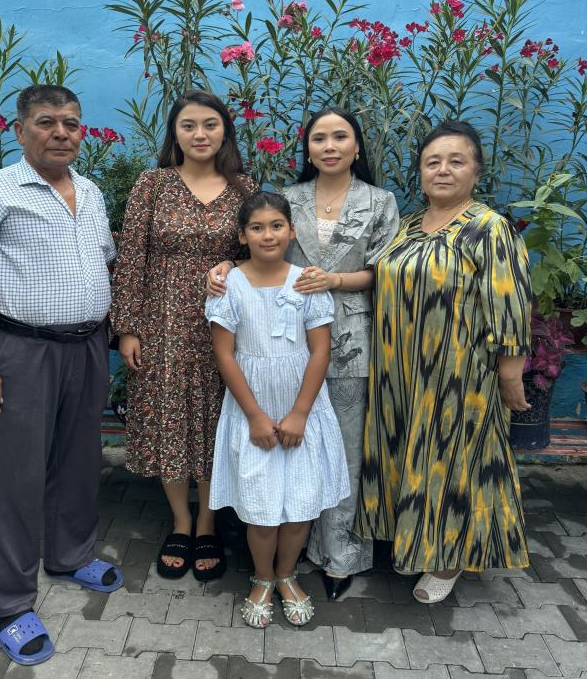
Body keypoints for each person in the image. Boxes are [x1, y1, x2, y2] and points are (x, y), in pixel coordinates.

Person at [0, 85, 123, 667]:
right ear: (19, 130)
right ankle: (10, 603)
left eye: (71, 122)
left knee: (78, 461)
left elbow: (102, 264)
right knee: (16, 477)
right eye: (46, 122)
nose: (61, 132)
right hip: (20, 351)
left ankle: (69, 557)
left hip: (86, 348)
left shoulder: (89, 192)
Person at [208, 107, 399, 599]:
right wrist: (224, 266)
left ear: (357, 145)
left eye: (341, 136)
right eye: (319, 138)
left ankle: (340, 555)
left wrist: (335, 280)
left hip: (350, 338)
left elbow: (386, 272)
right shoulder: (288, 199)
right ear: (308, 149)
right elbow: (261, 250)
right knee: (285, 455)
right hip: (282, 339)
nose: (330, 146)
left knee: (342, 454)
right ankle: (277, 561)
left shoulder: (380, 202)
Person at [356, 119, 532, 604]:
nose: (443, 170)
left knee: (454, 464)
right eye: (432, 162)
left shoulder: (489, 228)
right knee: (410, 455)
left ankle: (449, 558)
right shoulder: (409, 224)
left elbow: (511, 306)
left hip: (459, 374)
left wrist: (510, 374)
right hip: (399, 371)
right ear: (420, 172)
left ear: (477, 171)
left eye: (457, 161)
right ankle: (414, 538)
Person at [110, 90, 255, 581]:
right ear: (174, 132)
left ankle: (209, 523)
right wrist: (127, 328)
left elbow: (261, 251)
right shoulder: (152, 185)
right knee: (170, 419)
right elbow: (132, 258)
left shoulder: (244, 188)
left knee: (217, 420)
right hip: (163, 324)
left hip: (225, 326)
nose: (200, 134)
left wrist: (232, 262)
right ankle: (181, 521)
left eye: (210, 124)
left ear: (224, 130)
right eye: (188, 125)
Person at [206, 191, 349, 627]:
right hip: (252, 412)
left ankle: (287, 575)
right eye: (256, 227)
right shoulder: (228, 285)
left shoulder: (306, 282)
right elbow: (225, 354)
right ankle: (263, 578)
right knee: (261, 509)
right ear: (242, 236)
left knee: (300, 507)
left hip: (302, 411)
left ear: (291, 231)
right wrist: (254, 416)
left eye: (276, 226)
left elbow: (320, 351)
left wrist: (300, 413)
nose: (267, 235)